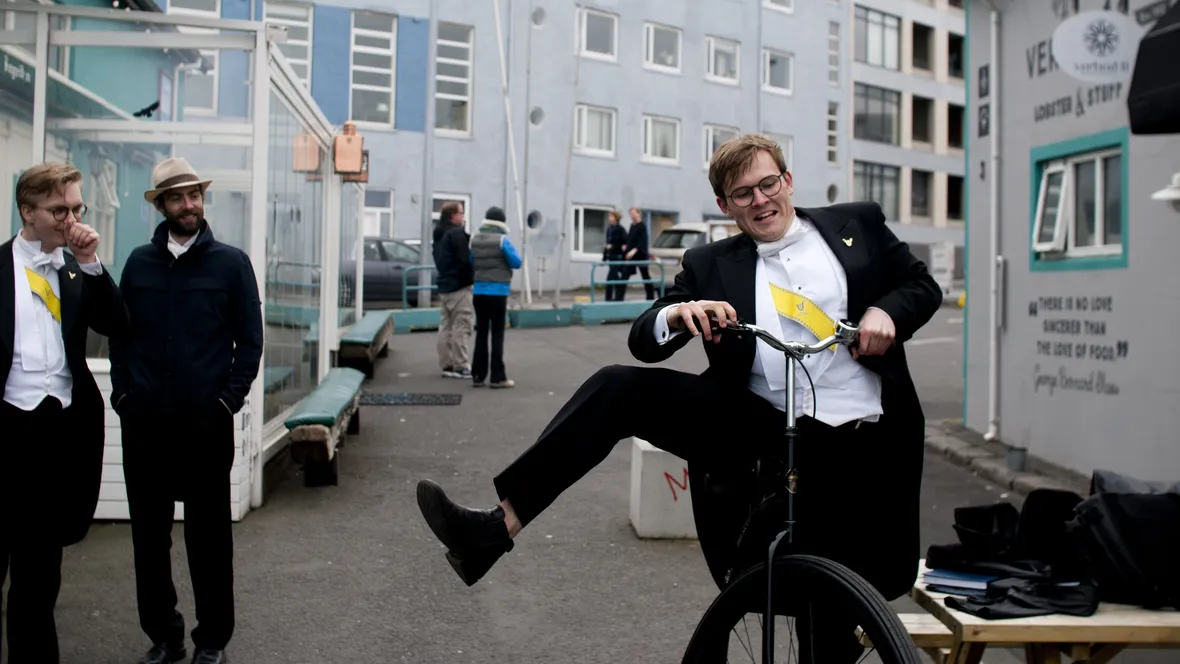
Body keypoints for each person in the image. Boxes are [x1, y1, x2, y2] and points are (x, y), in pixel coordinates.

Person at [416, 135, 942, 661]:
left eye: (768, 184)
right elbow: (644, 336)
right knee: (618, 386)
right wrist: (675, 316)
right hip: (759, 430)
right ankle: (494, 528)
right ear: (725, 206)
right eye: (743, 194)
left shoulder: (856, 224)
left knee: (826, 621)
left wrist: (889, 313)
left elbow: (921, 285)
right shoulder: (711, 263)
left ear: (787, 180)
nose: (760, 200)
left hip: (860, 438)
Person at [109, 157, 263, 664]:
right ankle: (163, 634)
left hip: (205, 425)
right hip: (146, 424)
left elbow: (250, 343)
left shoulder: (231, 264)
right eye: (177, 197)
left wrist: (226, 402)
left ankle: (212, 641)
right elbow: (120, 339)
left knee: (209, 541)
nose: (189, 204)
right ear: (161, 206)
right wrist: (124, 396)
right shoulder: (138, 264)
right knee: (149, 541)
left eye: (194, 194)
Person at [1, 162, 128, 663]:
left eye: (77, 207)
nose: (71, 218)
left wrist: (92, 262)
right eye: (59, 209)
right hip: (6, 429)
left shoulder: (77, 269)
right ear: (28, 211)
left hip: (57, 433)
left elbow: (119, 324)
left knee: (38, 574)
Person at [468, 207, 523, 389]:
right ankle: (497, 377)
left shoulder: (473, 240)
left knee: (481, 333)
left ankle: (477, 375)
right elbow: (516, 262)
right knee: (497, 334)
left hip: (479, 291)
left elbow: (471, 261)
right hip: (498, 293)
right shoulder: (502, 240)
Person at [432, 201, 474, 379]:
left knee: (445, 326)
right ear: (453, 216)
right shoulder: (457, 234)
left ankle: (446, 363)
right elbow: (464, 260)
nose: (463, 217)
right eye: (461, 213)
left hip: (445, 285)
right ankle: (461, 365)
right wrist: (470, 278)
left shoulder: (439, 234)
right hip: (459, 286)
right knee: (462, 325)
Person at [622, 207, 655, 300]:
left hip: (640, 255)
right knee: (624, 276)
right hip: (631, 256)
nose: (632, 215)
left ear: (638, 213)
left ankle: (650, 297)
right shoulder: (632, 226)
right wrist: (626, 247)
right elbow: (630, 239)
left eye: (633, 213)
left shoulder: (642, 226)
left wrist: (634, 250)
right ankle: (618, 297)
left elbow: (642, 241)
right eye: (630, 213)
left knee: (645, 276)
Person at [602, 210, 628, 301]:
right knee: (616, 278)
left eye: (611, 216)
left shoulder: (621, 229)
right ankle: (618, 297)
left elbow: (623, 244)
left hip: (618, 257)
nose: (609, 218)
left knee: (610, 278)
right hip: (611, 257)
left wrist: (612, 246)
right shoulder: (609, 229)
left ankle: (608, 299)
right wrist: (604, 258)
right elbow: (607, 243)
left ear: (615, 218)